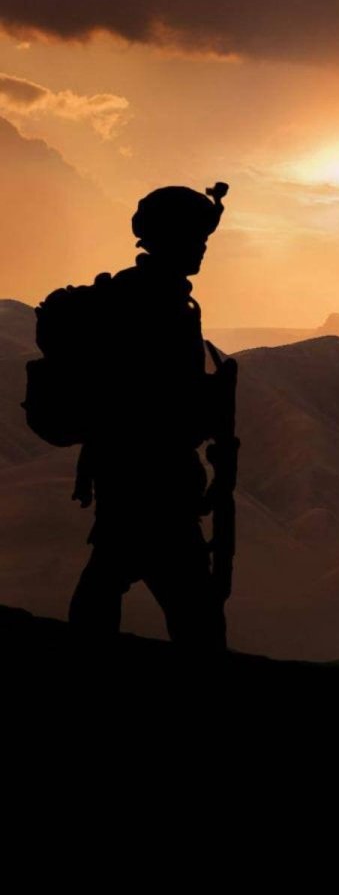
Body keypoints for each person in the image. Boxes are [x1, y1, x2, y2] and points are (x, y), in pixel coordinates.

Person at [66, 184, 233, 650]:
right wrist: (207, 405)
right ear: (170, 237)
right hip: (152, 475)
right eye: (196, 238)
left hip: (129, 471)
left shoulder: (144, 296)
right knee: (194, 612)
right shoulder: (154, 303)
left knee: (109, 575)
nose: (202, 249)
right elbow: (153, 397)